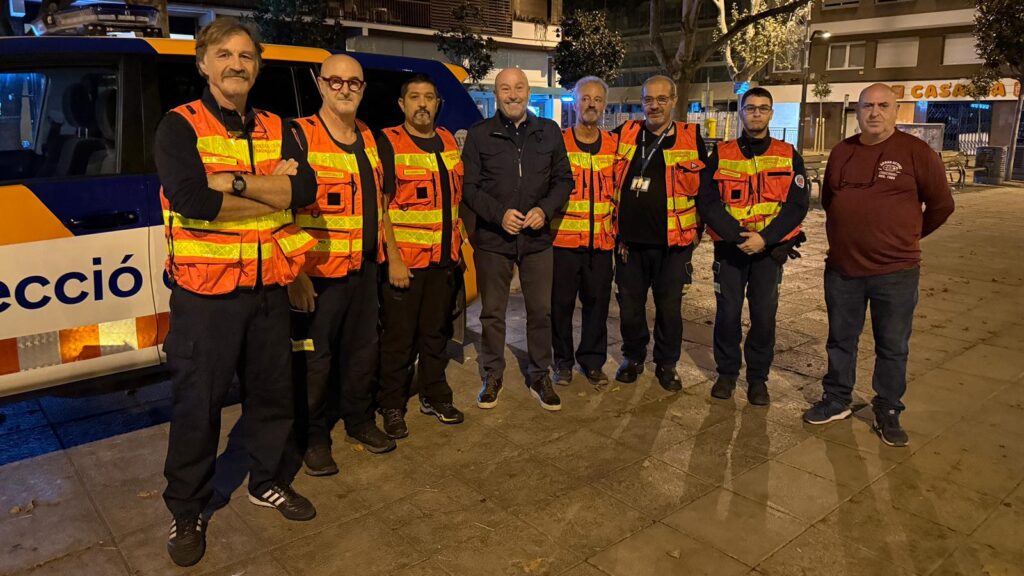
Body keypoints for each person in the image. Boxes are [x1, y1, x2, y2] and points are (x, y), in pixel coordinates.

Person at [154, 18, 317, 568]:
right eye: (224, 54)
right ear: (202, 63)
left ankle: (266, 481)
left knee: (273, 396)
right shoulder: (180, 127)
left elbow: (307, 190)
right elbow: (192, 200)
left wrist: (236, 184)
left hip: (268, 289)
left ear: (257, 67)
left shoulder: (280, 125)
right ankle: (187, 508)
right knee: (197, 407)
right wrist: (276, 193)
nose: (236, 64)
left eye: (246, 56)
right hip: (206, 298)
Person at [803, 83, 955, 447]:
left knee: (892, 345)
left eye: (883, 105)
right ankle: (838, 398)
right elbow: (830, 200)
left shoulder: (916, 152)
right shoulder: (842, 152)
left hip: (896, 273)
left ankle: (887, 408)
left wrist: (908, 238)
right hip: (843, 270)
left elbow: (941, 206)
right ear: (857, 111)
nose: (874, 112)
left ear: (895, 109)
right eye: (867, 105)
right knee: (841, 341)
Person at [288, 54, 396, 477]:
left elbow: (383, 201)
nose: (345, 89)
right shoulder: (298, 136)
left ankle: (360, 421)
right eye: (336, 82)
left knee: (362, 353)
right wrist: (294, 272)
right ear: (320, 85)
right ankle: (314, 437)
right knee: (315, 362)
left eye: (354, 83)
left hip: (365, 269)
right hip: (317, 276)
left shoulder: (371, 137)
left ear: (363, 88)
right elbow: (281, 212)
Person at [461, 67, 573, 411]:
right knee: (492, 312)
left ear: (528, 91)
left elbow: (564, 180)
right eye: (505, 89)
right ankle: (492, 374)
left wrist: (546, 209)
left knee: (540, 311)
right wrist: (499, 214)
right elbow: (469, 188)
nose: (513, 94)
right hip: (494, 239)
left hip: (537, 239)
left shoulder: (549, 132)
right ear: (496, 94)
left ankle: (540, 374)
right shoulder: (480, 135)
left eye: (519, 88)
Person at [697, 86, 809, 406]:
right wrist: (736, 235)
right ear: (741, 113)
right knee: (728, 314)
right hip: (731, 250)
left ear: (771, 114)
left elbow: (796, 205)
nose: (756, 113)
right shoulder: (721, 153)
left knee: (763, 316)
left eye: (763, 108)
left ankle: (758, 378)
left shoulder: (789, 154)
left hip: (768, 252)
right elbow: (708, 201)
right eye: (750, 108)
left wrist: (766, 238)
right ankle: (727, 373)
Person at [376, 74, 466, 438]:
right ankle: (391, 405)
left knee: (435, 335)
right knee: (398, 340)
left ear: (437, 103)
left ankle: (434, 393)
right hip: (405, 266)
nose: (423, 104)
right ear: (402, 105)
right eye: (414, 97)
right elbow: (380, 208)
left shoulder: (447, 141)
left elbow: (456, 200)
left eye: (429, 97)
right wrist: (394, 259)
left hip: (443, 262)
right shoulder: (388, 142)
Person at [612, 75, 708, 392]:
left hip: (674, 247)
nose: (654, 105)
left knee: (669, 310)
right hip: (630, 245)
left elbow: (707, 192)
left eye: (661, 99)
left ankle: (667, 364)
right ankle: (633, 357)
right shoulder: (625, 134)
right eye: (648, 99)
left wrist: (698, 233)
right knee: (630, 308)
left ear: (673, 100)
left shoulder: (691, 138)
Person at [550, 76, 617, 387]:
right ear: (574, 103)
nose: (591, 104)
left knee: (597, 308)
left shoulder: (616, 147)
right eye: (585, 98)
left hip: (601, 245)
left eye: (597, 99)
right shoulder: (557, 143)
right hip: (562, 243)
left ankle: (592, 362)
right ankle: (562, 362)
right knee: (560, 307)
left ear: (604, 105)